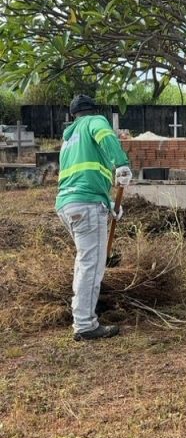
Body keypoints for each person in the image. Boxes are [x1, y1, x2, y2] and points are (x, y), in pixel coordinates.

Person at [55, 95, 132, 340]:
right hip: (86, 205)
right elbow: (107, 136)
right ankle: (85, 325)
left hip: (68, 205)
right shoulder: (94, 122)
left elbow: (83, 177)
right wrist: (121, 164)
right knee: (91, 265)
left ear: (73, 115)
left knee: (84, 262)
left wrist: (108, 204)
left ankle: (83, 313)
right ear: (93, 111)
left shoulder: (69, 139)